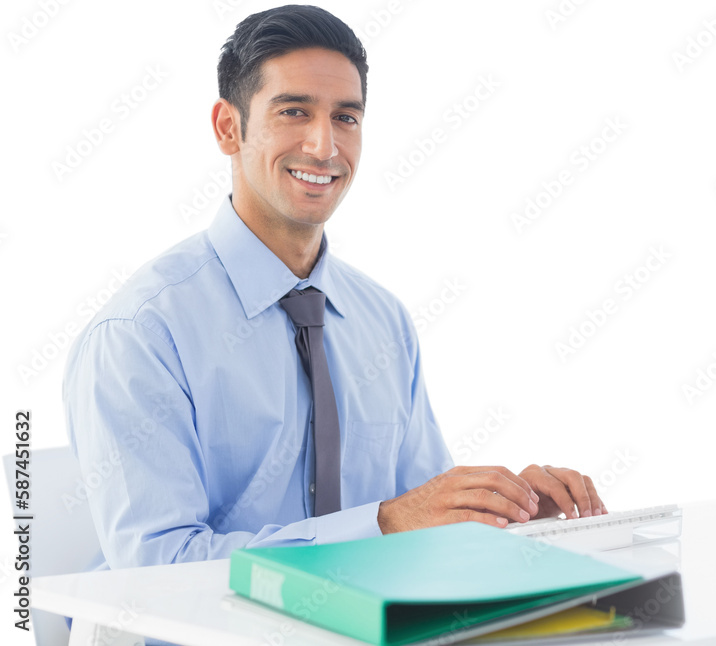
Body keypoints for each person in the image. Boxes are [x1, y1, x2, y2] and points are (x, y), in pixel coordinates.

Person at [63, 4, 606, 572]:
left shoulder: (382, 320)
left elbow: (424, 517)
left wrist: (507, 516)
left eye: (346, 117)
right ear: (229, 127)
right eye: (294, 111)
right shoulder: (141, 333)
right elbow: (157, 569)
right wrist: (383, 525)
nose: (324, 146)